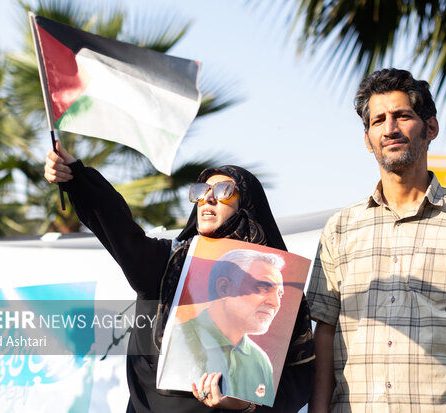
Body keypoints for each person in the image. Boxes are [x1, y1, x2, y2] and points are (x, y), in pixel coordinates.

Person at [307, 68, 446, 413]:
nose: (389, 129)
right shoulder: (340, 228)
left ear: (431, 128)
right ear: (367, 139)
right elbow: (326, 334)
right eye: (378, 121)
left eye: (402, 116)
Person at [44, 143, 314, 413]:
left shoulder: (281, 297)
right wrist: (77, 178)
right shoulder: (168, 264)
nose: (208, 198)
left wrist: (244, 405)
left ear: (247, 203)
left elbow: (298, 379)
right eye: (201, 191)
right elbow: (119, 229)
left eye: (223, 191)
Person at [160, 249, 286, 406]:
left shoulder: (260, 360)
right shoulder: (176, 338)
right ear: (224, 288)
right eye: (263, 288)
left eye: (279, 294)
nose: (276, 303)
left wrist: (243, 407)